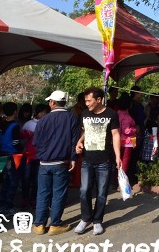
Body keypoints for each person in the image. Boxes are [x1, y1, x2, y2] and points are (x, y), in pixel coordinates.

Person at [33, 90, 81, 236]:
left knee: (42, 193)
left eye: (50, 101)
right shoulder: (72, 118)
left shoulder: (43, 120)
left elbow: (36, 142)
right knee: (59, 193)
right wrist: (73, 158)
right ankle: (55, 223)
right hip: (61, 161)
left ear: (53, 103)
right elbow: (75, 140)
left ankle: (39, 224)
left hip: (44, 162)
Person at [75, 88, 123, 237]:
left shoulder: (111, 114)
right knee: (84, 190)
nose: (87, 103)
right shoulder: (84, 114)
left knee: (101, 193)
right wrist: (79, 142)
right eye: (85, 101)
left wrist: (118, 156)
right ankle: (85, 218)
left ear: (99, 99)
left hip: (105, 160)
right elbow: (84, 131)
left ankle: (97, 221)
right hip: (87, 159)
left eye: (89, 100)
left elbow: (115, 135)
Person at [20, 103, 48, 210]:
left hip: (40, 156)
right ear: (37, 112)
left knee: (37, 180)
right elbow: (21, 138)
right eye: (43, 112)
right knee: (26, 179)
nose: (44, 114)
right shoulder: (29, 124)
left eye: (46, 112)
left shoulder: (47, 123)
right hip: (28, 156)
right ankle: (24, 199)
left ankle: (33, 199)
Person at [0, 102, 23, 217]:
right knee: (13, 181)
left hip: (2, 154)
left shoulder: (1, 124)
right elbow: (15, 142)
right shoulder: (15, 126)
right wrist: (22, 149)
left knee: (5, 180)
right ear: (14, 112)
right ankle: (8, 206)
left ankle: (1, 205)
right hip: (13, 156)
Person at [115, 93, 138, 183]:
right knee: (125, 162)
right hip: (127, 142)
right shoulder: (127, 117)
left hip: (117, 141)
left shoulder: (116, 114)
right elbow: (126, 131)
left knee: (117, 161)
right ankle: (121, 182)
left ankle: (116, 181)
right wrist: (135, 130)